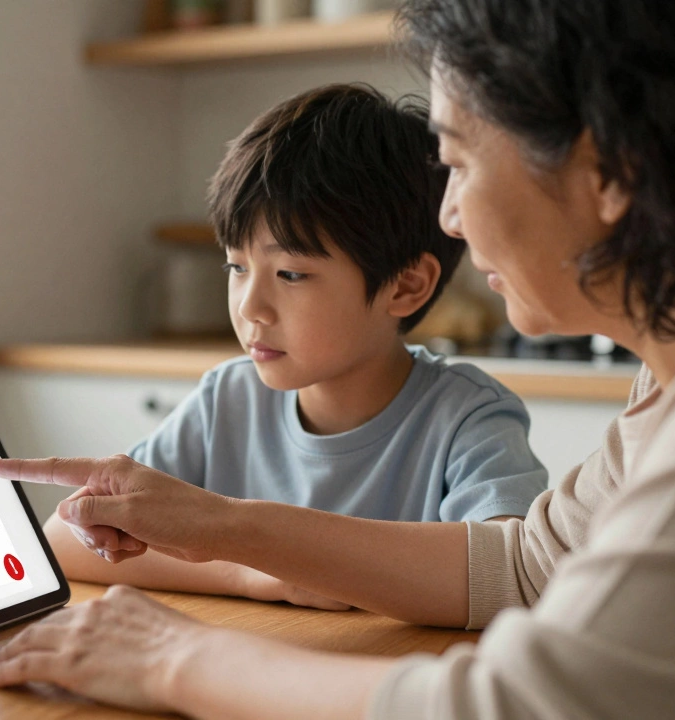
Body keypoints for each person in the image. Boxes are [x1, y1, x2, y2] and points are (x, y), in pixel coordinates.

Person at [0, 0, 675, 717]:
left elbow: (537, 705)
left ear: (611, 170)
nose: (450, 216)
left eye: (458, 162)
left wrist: (179, 660)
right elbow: (526, 565)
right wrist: (222, 529)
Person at [44, 83, 546, 608]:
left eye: (290, 273)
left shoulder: (467, 417)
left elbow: (511, 573)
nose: (250, 307)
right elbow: (66, 538)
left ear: (404, 286)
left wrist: (269, 552)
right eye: (237, 267)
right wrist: (253, 575)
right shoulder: (227, 400)